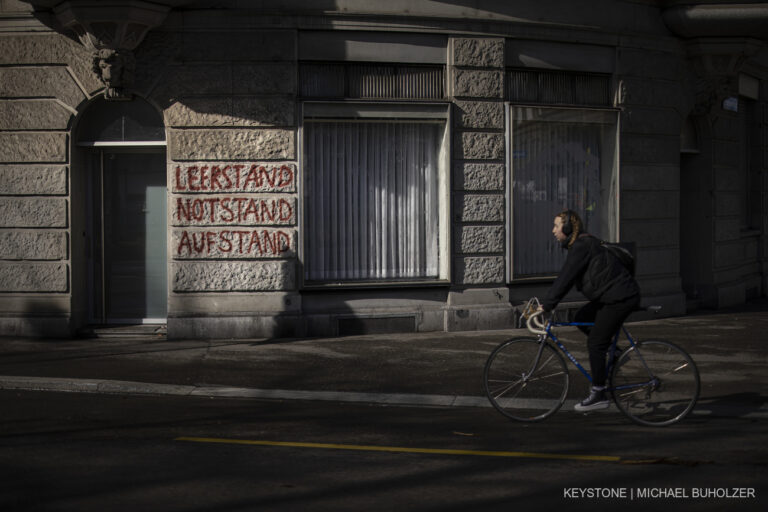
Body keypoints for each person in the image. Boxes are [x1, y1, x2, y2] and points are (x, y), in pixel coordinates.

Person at [539, 210, 641, 412]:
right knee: (581, 317)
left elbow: (566, 278)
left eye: (557, 226)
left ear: (568, 229)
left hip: (620, 299)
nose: (553, 231)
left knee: (596, 342)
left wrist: (547, 304)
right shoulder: (582, 245)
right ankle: (616, 353)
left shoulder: (581, 246)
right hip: (610, 297)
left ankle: (599, 393)